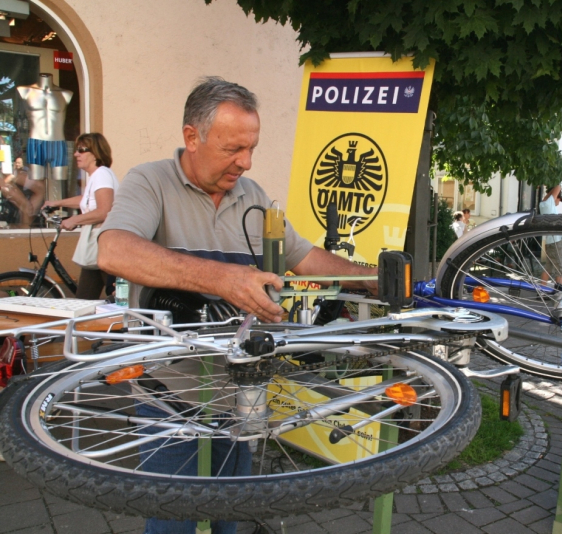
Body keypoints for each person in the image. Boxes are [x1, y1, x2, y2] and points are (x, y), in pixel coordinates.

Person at [98, 78, 377, 534]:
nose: (245, 162)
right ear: (192, 137)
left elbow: (305, 258)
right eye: (233, 149)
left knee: (237, 515)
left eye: (251, 148)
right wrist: (223, 278)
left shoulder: (252, 195)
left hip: (239, 388)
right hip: (171, 392)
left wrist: (374, 279)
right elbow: (114, 251)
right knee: (172, 519)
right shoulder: (149, 181)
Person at [43, 133, 118, 299]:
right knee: (85, 299)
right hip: (96, 247)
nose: (76, 154)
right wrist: (56, 203)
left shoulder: (101, 175)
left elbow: (104, 211)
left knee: (117, 297)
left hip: (102, 244)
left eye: (81, 150)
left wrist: (74, 220)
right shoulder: (97, 176)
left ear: (96, 153)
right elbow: (86, 201)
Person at [537, 184, 562, 290]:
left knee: (549, 267)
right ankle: (560, 291)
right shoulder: (549, 204)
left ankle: (542, 290)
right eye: (559, 199)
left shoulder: (543, 204)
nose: (559, 202)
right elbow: (558, 186)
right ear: (556, 196)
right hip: (556, 241)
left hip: (550, 241)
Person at [1, 157, 45, 228]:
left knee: (41, 188)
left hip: (7, 168)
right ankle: (23, 228)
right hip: (4, 173)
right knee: (26, 206)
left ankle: (23, 226)